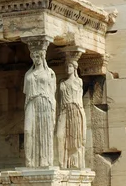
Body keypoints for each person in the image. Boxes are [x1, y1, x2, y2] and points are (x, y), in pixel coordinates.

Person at [24, 40, 56, 168]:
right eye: (34, 56)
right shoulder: (28, 74)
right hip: (31, 103)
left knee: (44, 132)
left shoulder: (50, 73)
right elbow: (26, 92)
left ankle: (45, 160)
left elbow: (52, 92)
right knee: (28, 130)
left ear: (43, 56)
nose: (36, 59)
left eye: (38, 56)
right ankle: (30, 161)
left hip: (45, 103)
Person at [56, 60, 86, 169]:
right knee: (59, 136)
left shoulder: (79, 82)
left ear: (75, 68)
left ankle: (75, 164)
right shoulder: (62, 83)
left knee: (75, 138)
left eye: (70, 66)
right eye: (67, 66)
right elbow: (59, 100)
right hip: (64, 111)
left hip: (75, 110)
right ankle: (62, 163)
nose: (68, 68)